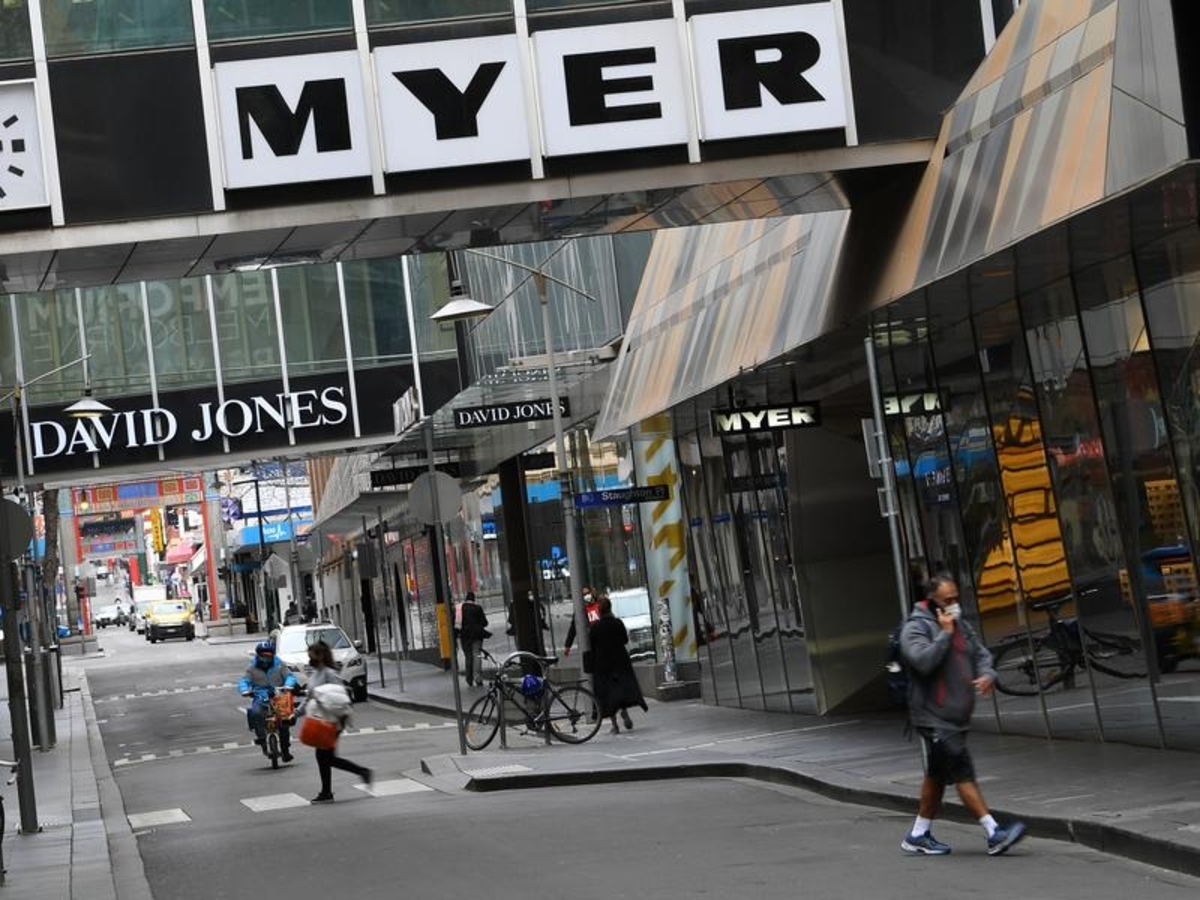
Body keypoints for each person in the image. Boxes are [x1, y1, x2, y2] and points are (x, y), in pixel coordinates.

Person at [899, 574, 1026, 856]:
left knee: (936, 775)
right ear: (933, 601)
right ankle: (994, 832)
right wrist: (944, 634)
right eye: (948, 600)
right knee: (962, 770)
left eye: (956, 598)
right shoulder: (915, 628)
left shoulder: (961, 624)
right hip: (933, 717)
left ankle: (918, 834)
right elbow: (922, 662)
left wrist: (988, 674)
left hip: (957, 717)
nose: (954, 604)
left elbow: (981, 654)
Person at [305, 641, 372, 803]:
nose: (309, 659)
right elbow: (310, 698)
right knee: (326, 757)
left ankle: (329, 791)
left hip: (332, 720)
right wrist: (295, 714)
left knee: (324, 756)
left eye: (311, 656)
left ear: (320, 656)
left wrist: (340, 720)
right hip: (321, 719)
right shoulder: (316, 674)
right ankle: (359, 773)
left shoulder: (329, 674)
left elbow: (341, 696)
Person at [588, 595, 647, 734]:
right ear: (610, 608)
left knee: (608, 693)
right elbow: (625, 640)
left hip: (603, 664)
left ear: (599, 611)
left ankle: (615, 725)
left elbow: (592, 645)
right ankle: (624, 711)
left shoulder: (595, 627)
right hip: (620, 661)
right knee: (621, 688)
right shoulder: (617, 623)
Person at [238, 640, 298, 762]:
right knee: (255, 712)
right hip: (260, 696)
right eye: (263, 656)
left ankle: (285, 751)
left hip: (279, 695)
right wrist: (245, 690)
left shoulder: (279, 665)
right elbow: (244, 681)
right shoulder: (252, 667)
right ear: (258, 655)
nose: (265, 659)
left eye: (268, 656)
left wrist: (288, 685)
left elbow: (290, 676)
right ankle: (261, 738)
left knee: (284, 721)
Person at [457, 591, 489, 687]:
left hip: (464, 637)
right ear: (474, 599)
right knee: (477, 655)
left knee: (468, 656)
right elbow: (485, 623)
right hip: (477, 636)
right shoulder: (478, 608)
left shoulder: (459, 608)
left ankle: (469, 679)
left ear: (466, 599)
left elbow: (457, 624)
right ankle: (478, 679)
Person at [563, 586, 601, 657]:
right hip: (589, 643)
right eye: (584, 594)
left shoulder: (599, 605)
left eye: (588, 593)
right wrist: (568, 645)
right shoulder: (580, 610)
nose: (587, 596)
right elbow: (573, 628)